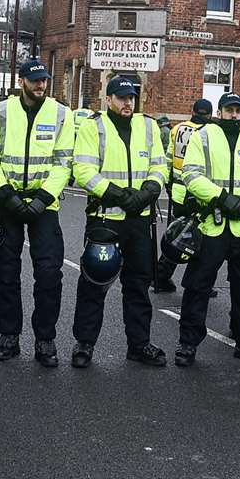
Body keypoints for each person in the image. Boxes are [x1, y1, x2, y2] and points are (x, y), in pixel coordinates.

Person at [0, 59, 75, 367]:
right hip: (7, 203)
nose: (41, 85)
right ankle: (9, 335)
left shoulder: (62, 114)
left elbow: (64, 163)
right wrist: (5, 195)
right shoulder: (1, 111)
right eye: (35, 80)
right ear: (22, 81)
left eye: (44, 80)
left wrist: (43, 199)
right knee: (6, 272)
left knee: (49, 273)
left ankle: (45, 339)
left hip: (43, 205)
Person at [70, 76, 169, 367]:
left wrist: (149, 191)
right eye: (122, 97)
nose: (128, 103)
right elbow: (83, 170)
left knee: (139, 285)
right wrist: (117, 194)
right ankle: (84, 344)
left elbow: (159, 165)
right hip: (106, 219)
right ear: (109, 99)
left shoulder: (149, 126)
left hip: (140, 221)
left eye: (132, 98)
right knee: (94, 282)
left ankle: (139, 345)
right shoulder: (93, 126)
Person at [178, 92, 240, 367]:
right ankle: (188, 344)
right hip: (212, 224)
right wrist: (222, 198)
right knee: (198, 286)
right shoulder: (204, 136)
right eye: (229, 110)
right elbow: (191, 175)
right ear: (219, 112)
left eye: (238, 110)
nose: (234, 115)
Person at [157, 98, 213, 293]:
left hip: (178, 190)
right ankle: (197, 282)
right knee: (199, 238)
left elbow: (168, 157)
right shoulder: (208, 133)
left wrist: (168, 183)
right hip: (197, 192)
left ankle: (161, 276)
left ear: (192, 110)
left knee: (177, 233)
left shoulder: (178, 129)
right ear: (210, 114)